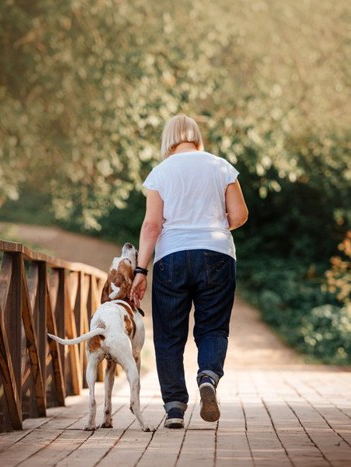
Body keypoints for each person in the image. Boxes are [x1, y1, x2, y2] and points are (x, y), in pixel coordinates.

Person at [130, 114, 248, 429]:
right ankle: (208, 376)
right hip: (217, 255)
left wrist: (141, 270)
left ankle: (173, 408)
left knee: (169, 335)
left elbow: (152, 225)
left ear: (168, 139)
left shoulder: (160, 172)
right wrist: (215, 221)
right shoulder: (220, 166)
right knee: (212, 328)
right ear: (196, 136)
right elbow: (239, 214)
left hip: (172, 257)